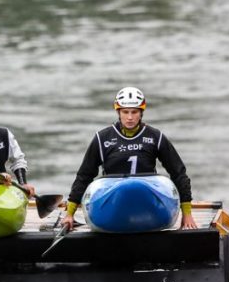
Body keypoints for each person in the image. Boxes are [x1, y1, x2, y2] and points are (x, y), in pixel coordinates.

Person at [62, 87, 197, 230]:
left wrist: (187, 214)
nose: (130, 117)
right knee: (124, 187)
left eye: (135, 112)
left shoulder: (155, 137)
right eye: (125, 112)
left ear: (141, 113)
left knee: (134, 186)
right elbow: (84, 175)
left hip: (147, 198)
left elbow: (179, 173)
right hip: (112, 197)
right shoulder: (102, 138)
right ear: (118, 112)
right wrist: (69, 213)